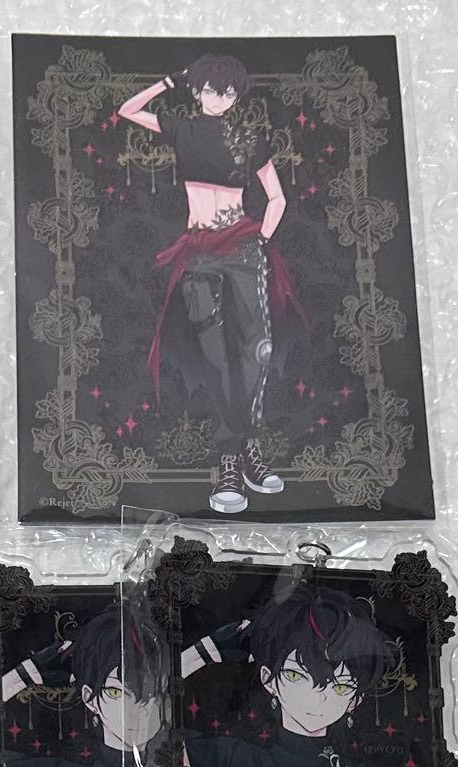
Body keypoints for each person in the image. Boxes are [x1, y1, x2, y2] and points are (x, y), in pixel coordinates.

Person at [118, 53, 305, 515]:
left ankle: (240, 453)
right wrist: (168, 81)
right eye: (210, 89)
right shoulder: (182, 130)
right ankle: (237, 457)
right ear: (197, 90)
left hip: (243, 249)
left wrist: (261, 239)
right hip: (200, 252)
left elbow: (277, 197)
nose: (219, 98)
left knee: (257, 348)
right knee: (217, 357)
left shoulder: (249, 138)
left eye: (227, 91)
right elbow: (127, 110)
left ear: (237, 96)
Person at [180, 585, 406, 767]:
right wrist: (206, 650)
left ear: (355, 700)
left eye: (340, 687)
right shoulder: (226, 759)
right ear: (268, 679)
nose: (317, 699)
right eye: (296, 676)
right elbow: (157, 722)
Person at [0, 607, 162, 767]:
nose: (136, 709)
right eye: (117, 692)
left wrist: (197, 653)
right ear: (89, 698)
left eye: (150, 692)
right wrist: (25, 674)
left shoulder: (187, 761)